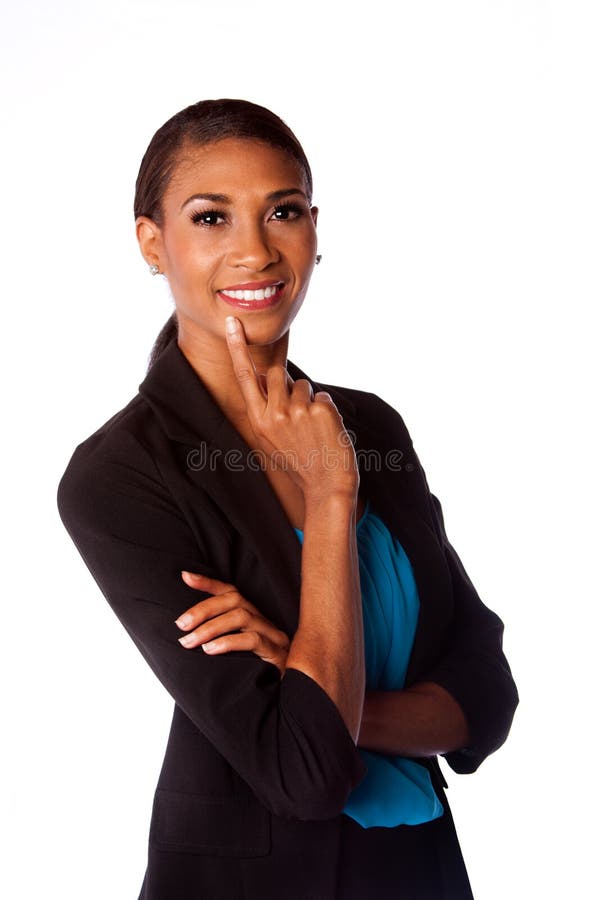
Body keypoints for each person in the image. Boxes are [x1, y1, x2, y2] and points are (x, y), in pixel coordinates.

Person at [56, 98, 519, 900]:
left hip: (422, 872)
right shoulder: (121, 475)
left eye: (283, 210)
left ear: (314, 227)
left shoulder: (369, 424)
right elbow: (303, 772)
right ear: (152, 244)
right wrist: (333, 498)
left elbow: (488, 692)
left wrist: (307, 675)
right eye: (210, 218)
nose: (255, 251)